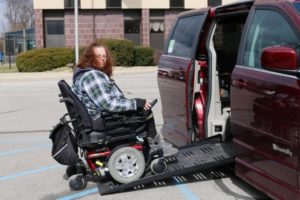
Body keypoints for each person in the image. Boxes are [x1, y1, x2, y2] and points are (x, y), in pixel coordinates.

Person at [72, 42, 177, 156]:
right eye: (98, 56)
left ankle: (150, 145)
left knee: (142, 105)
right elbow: (108, 104)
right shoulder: (92, 76)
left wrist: (136, 102)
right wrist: (136, 104)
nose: (103, 59)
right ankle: (155, 147)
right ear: (90, 58)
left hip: (97, 118)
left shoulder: (84, 74)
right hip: (104, 120)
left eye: (104, 56)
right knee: (145, 111)